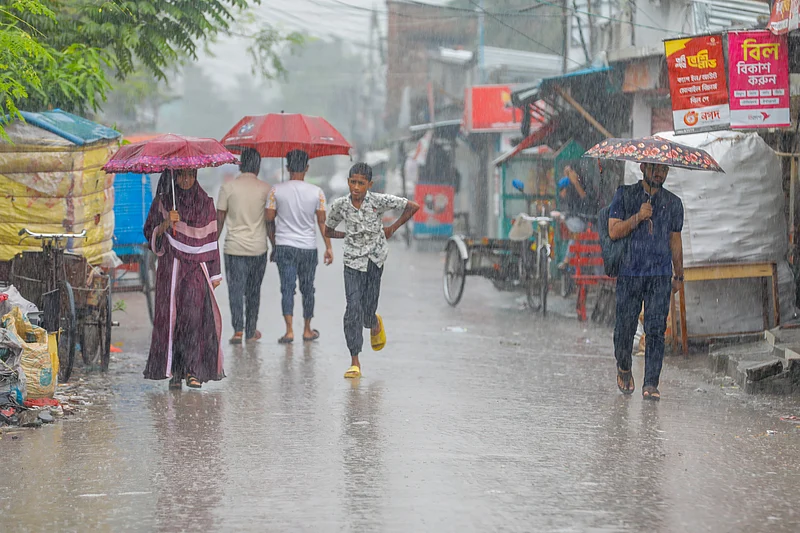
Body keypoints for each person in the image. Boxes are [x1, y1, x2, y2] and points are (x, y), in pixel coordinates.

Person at [325, 162, 420, 379]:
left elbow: (412, 206)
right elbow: (328, 230)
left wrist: (392, 228)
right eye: (352, 182)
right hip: (351, 263)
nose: (356, 187)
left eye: (361, 183)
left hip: (374, 260)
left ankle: (374, 321)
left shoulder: (378, 201)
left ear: (369, 184)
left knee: (367, 312)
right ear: (348, 182)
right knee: (352, 308)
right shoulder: (340, 205)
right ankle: (354, 361)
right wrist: (345, 236)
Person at [608, 163, 684, 401]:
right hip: (630, 272)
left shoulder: (673, 203)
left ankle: (651, 382)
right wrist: (638, 217)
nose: (659, 173)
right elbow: (613, 231)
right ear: (642, 167)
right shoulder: (625, 194)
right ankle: (623, 366)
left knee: (655, 330)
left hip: (659, 275)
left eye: (664, 169)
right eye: (654, 168)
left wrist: (679, 274)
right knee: (624, 328)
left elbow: (675, 240)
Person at [143, 169, 224, 389]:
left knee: (193, 316)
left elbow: (211, 240)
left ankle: (193, 370)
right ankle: (175, 371)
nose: (185, 180)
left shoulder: (205, 203)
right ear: (174, 177)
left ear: (196, 175)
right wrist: (166, 224)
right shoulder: (164, 202)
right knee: (173, 319)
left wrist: (215, 272)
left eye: (189, 175)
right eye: (180, 175)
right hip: (171, 268)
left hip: (196, 269)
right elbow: (149, 232)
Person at [266, 149, 333, 344]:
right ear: (307, 167)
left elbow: (269, 219)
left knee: (287, 289)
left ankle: (289, 331)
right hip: (308, 248)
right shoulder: (317, 192)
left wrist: (274, 244)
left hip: (284, 246)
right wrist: (329, 247)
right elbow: (322, 222)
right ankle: (306, 329)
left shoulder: (275, 190)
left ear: (287, 167)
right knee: (308, 289)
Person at [216, 148, 270, 345]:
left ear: (239, 165)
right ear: (258, 165)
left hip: (234, 248)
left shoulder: (228, 188)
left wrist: (212, 245)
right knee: (254, 291)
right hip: (258, 248)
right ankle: (250, 330)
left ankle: (238, 330)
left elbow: (219, 220)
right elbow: (270, 221)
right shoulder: (266, 189)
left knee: (236, 290)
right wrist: (275, 245)